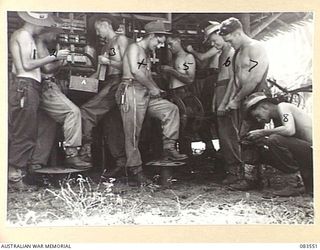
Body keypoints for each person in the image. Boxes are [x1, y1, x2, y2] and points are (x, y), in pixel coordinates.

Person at [116, 20, 187, 185]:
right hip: (131, 90)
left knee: (170, 109)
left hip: (144, 92)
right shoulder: (134, 48)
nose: (160, 46)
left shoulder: (145, 52)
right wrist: (152, 88)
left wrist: (155, 89)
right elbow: (136, 71)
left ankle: (169, 147)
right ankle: (136, 171)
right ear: (152, 36)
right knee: (132, 133)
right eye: (159, 41)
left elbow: (145, 75)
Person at [8, 12, 69, 186]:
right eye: (43, 24)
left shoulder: (22, 36)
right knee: (24, 133)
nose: (44, 28)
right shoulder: (24, 35)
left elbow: (22, 66)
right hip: (26, 85)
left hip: (25, 85)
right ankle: (14, 177)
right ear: (36, 22)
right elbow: (27, 65)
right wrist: (54, 56)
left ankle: (17, 174)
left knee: (24, 131)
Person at [29, 24, 91, 172]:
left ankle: (36, 162)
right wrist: (61, 60)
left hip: (39, 87)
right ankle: (72, 154)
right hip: (46, 87)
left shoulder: (36, 43)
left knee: (47, 124)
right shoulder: (39, 43)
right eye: (55, 34)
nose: (55, 38)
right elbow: (47, 68)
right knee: (73, 112)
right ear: (47, 32)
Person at [219, 17, 270, 190]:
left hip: (257, 100)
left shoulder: (256, 48)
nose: (230, 44)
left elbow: (254, 78)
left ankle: (255, 178)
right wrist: (228, 101)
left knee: (253, 137)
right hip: (242, 100)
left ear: (238, 32)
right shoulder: (236, 53)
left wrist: (237, 99)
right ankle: (249, 177)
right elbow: (235, 80)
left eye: (231, 39)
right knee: (243, 138)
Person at [80, 16, 128, 176]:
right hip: (108, 83)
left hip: (118, 83)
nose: (98, 33)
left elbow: (129, 65)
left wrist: (109, 62)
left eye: (98, 29)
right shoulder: (105, 47)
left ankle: (84, 152)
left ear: (106, 24)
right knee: (111, 124)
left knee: (87, 111)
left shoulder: (120, 40)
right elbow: (100, 74)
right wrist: (83, 82)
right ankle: (121, 162)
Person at [243, 92, 313, 196]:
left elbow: (289, 130)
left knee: (274, 139)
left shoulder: (283, 107)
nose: (258, 120)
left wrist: (262, 132)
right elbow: (289, 140)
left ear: (265, 106)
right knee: (265, 144)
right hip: (307, 154)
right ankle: (255, 180)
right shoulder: (277, 118)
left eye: (258, 116)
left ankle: (295, 184)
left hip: (313, 151)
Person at [204, 22, 242, 185]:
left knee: (229, 135)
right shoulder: (223, 54)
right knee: (223, 134)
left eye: (214, 40)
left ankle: (236, 172)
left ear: (221, 34)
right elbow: (221, 78)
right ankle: (231, 169)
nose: (213, 45)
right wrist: (215, 100)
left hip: (226, 93)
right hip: (220, 91)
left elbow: (232, 80)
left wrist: (225, 102)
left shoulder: (231, 53)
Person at [186, 22, 222, 157]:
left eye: (213, 40)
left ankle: (217, 147)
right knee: (204, 112)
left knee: (209, 113)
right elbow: (202, 63)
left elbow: (201, 57)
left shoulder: (219, 46)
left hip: (215, 77)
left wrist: (191, 51)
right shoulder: (214, 49)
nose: (212, 43)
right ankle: (210, 147)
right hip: (209, 77)